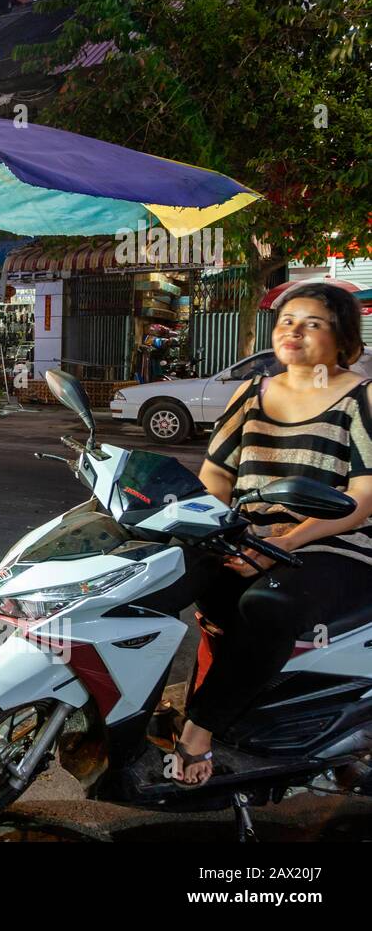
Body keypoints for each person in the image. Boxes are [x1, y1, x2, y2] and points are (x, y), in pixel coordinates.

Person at [174, 283, 372, 784]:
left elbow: (363, 499)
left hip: (332, 543)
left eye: (313, 323)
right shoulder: (251, 392)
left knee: (266, 607)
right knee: (162, 576)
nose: (293, 331)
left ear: (343, 335)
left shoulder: (361, 397)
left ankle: (198, 733)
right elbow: (217, 475)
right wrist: (216, 529)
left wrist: (284, 542)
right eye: (287, 320)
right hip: (245, 536)